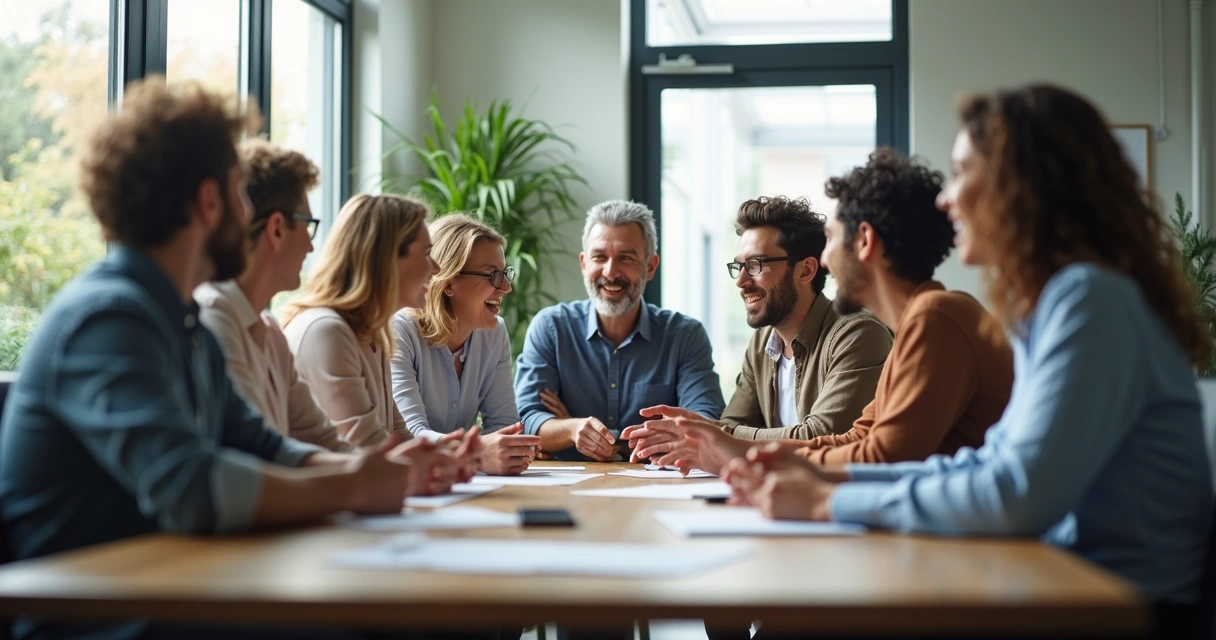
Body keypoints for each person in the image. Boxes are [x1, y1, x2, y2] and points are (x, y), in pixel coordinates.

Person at [726, 84, 1214, 638]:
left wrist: (826, 502)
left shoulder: (1088, 299)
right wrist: (824, 483)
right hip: (1062, 578)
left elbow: (1015, 493)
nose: (946, 198)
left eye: (962, 172)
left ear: (1020, 185)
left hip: (1114, 605)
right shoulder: (1061, 302)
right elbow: (985, 468)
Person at [0, 78, 444, 640]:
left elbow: (262, 446)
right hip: (104, 617)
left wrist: (379, 471)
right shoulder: (108, 317)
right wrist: (354, 487)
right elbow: (190, 485)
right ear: (209, 202)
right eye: (241, 194)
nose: (250, 214)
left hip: (175, 588)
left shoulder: (182, 323)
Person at [635, 151, 1014, 474]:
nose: (826, 260)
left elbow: (882, 458)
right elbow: (857, 440)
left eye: (830, 238)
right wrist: (728, 447)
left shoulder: (935, 316)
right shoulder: (917, 323)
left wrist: (731, 450)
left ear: (864, 241)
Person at [623, 196, 893, 470]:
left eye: (756, 265)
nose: (741, 281)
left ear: (806, 270)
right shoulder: (762, 342)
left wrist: (717, 435)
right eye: (740, 266)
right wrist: (718, 434)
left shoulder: (857, 333)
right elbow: (732, 423)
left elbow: (821, 435)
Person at [513, 200, 725, 462]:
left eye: (626, 258)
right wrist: (573, 429)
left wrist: (574, 431)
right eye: (599, 257)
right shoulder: (550, 328)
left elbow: (704, 424)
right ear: (584, 263)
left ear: (650, 266)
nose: (611, 272)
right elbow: (526, 422)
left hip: (656, 491)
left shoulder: (685, 336)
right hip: (567, 492)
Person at [196, 139, 350, 452]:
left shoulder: (270, 331)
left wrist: (400, 471)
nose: (310, 247)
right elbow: (261, 460)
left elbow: (324, 441)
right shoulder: (214, 321)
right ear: (277, 229)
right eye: (308, 226)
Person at [391, 214, 542, 475]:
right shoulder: (400, 330)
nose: (506, 287)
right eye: (493, 275)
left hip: (459, 482)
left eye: (505, 273)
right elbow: (410, 435)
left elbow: (503, 426)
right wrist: (478, 451)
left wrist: (511, 448)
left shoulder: (495, 332)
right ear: (448, 281)